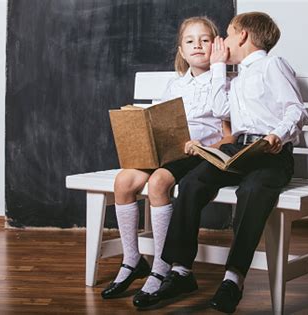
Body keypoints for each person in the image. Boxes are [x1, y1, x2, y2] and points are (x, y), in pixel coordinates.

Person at [152, 12, 308, 313]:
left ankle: (233, 278)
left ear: (243, 36)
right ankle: (180, 269)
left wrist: (277, 135)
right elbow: (219, 107)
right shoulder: (235, 75)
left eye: (226, 34)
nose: (220, 41)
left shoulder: (271, 65)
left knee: (251, 190)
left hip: (270, 153)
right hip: (239, 150)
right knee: (193, 182)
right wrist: (218, 68)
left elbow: (296, 110)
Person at [101, 16, 234, 308]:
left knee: (159, 182)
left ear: (217, 46)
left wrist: (204, 147)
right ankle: (133, 260)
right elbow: (160, 123)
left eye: (205, 40)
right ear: (181, 51)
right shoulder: (176, 85)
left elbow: (229, 137)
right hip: (166, 150)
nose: (197, 45)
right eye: (190, 41)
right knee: (124, 181)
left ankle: (162, 266)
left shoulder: (222, 82)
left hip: (195, 153)